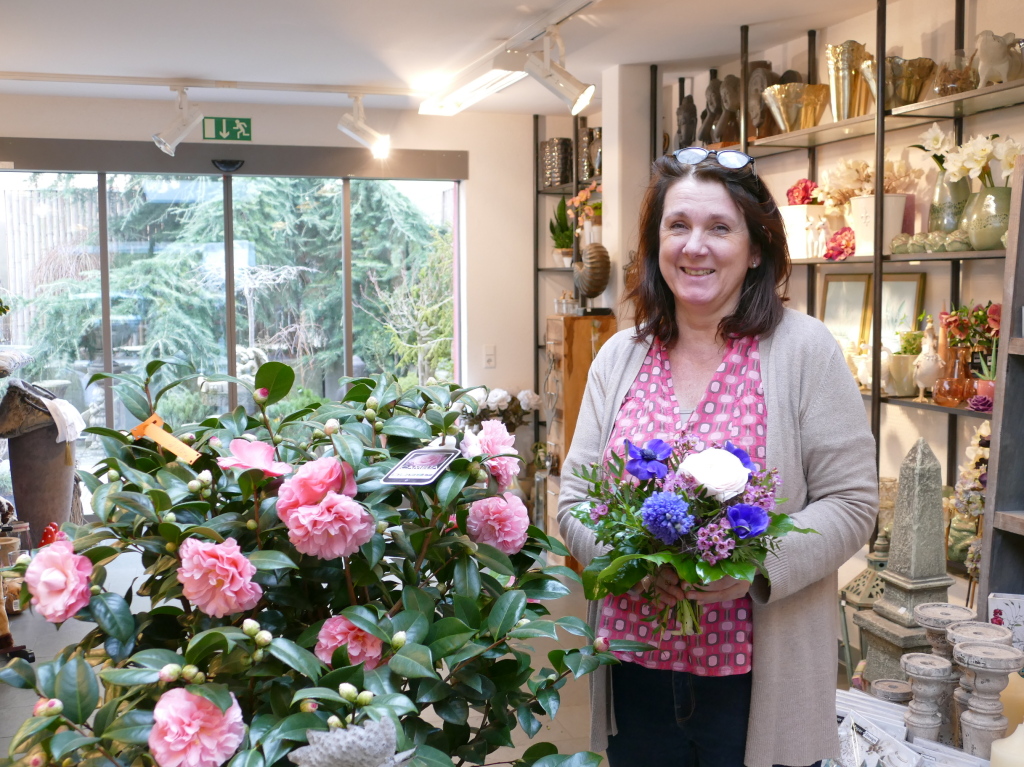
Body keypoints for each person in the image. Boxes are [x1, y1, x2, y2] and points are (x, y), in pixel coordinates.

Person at [557, 147, 878, 767]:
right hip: (636, 668)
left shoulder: (804, 351)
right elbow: (574, 501)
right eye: (677, 225)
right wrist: (635, 563)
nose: (694, 246)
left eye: (719, 227)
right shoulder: (620, 357)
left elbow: (853, 502)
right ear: (655, 244)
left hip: (759, 680)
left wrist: (755, 567)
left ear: (755, 248)